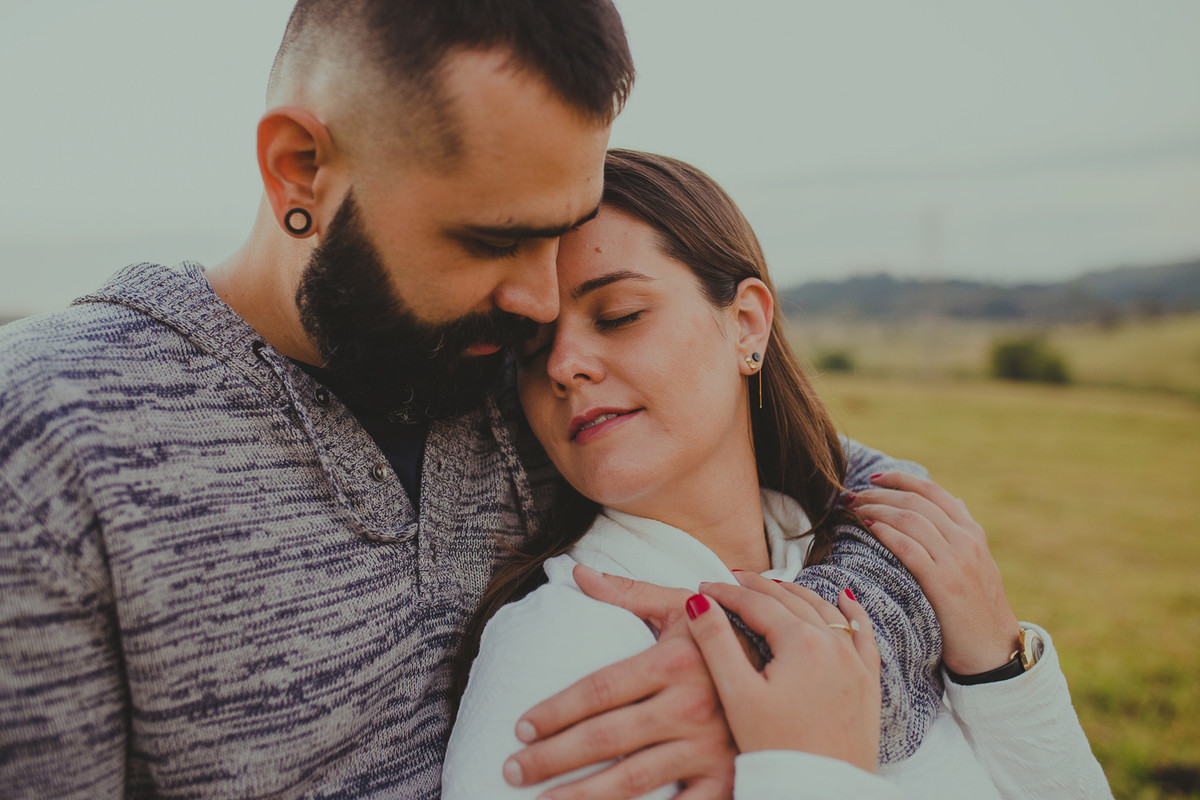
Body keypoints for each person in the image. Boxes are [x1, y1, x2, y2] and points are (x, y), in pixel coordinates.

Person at [0, 4, 937, 799]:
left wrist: (748, 679)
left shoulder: (518, 365)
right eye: (493, 240)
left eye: (561, 234)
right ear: (298, 168)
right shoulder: (50, 439)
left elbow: (864, 495)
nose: (541, 302)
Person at [442, 149, 1112, 798]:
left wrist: (1000, 667)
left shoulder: (901, 571)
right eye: (533, 345)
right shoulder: (560, 649)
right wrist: (809, 772)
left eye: (619, 315)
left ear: (746, 324)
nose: (563, 365)